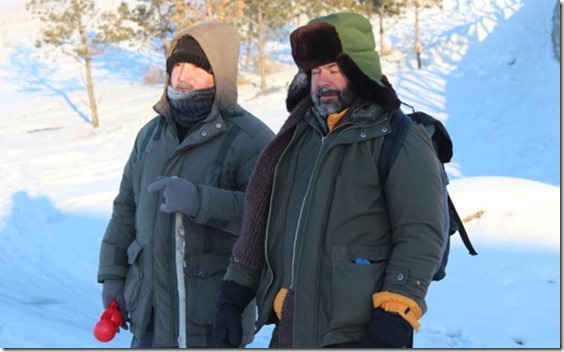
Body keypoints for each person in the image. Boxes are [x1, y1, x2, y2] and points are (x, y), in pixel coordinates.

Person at [213, 12, 445, 348]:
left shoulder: (398, 138)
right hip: (292, 328)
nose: (322, 82)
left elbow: (420, 233)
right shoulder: (299, 136)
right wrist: (233, 294)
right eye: (316, 72)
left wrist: (395, 312)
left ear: (359, 70)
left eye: (334, 70)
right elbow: (266, 226)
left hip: (358, 333)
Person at [97, 21, 274, 348]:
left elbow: (270, 217)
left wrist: (199, 201)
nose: (182, 76)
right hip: (148, 318)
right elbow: (125, 209)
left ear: (219, 73)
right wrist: (112, 275)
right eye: (177, 66)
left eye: (196, 67)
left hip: (210, 320)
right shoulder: (150, 136)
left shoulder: (252, 140)